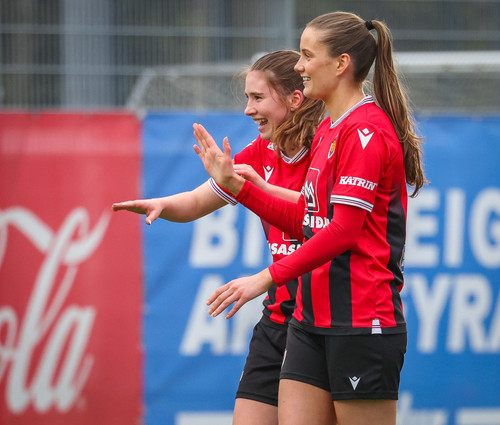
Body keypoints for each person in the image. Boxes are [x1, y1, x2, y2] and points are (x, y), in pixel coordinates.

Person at [193, 11, 425, 425]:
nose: (299, 66)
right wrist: (239, 188)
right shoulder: (329, 130)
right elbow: (310, 217)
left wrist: (265, 278)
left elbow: (342, 231)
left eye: (307, 55)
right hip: (308, 322)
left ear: (341, 64)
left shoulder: (366, 130)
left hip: (360, 322)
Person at [113, 50, 326, 425]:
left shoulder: (328, 150)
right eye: (247, 98)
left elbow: (327, 222)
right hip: (279, 317)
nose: (248, 110)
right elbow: (197, 201)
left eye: (257, 98)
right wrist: (161, 203)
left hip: (324, 320)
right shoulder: (260, 153)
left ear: (295, 99)